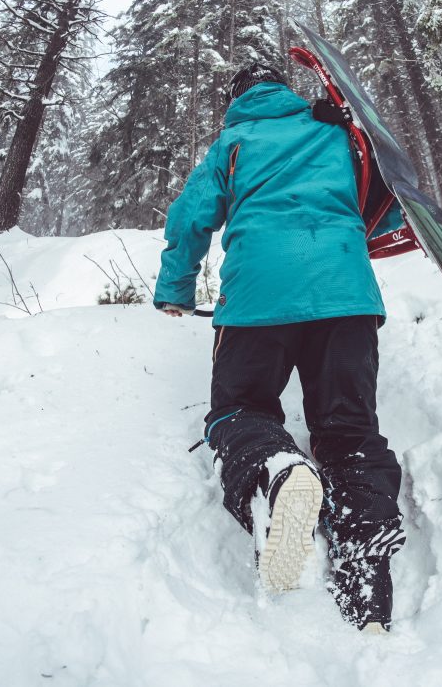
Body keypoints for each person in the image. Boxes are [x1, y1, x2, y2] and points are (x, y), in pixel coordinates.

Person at [154, 62, 405, 632]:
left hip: (258, 300)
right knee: (349, 428)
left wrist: (175, 287)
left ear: (236, 98)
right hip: (346, 294)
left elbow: (191, 216)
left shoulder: (234, 142)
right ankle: (366, 563)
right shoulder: (335, 129)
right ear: (283, 90)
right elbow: (381, 203)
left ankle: (276, 472)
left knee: (238, 408)